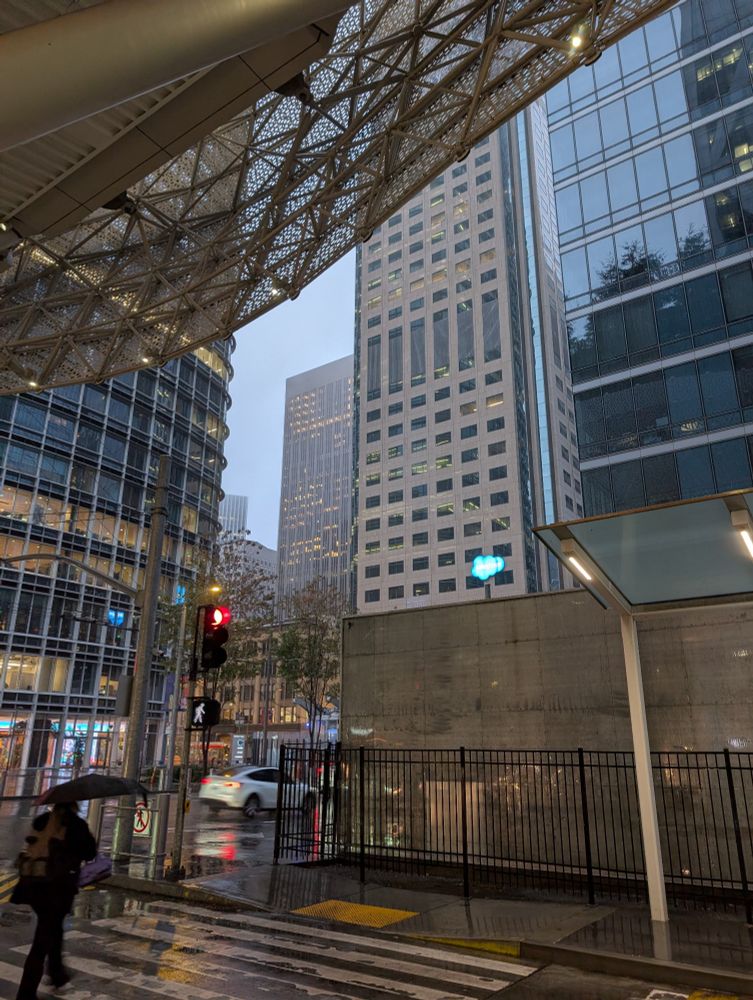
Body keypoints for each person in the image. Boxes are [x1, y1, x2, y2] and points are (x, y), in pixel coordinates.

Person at [12, 801, 97, 1000]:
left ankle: (57, 973)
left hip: (33, 884)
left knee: (52, 928)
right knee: (42, 940)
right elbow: (90, 852)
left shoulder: (42, 820)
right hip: (56, 888)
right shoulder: (76, 825)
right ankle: (26, 993)